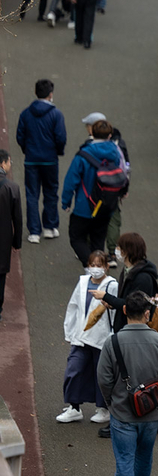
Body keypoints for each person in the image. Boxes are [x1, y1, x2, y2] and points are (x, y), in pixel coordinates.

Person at [96, 291, 158, 476]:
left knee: (124, 461)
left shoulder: (112, 342)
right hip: (151, 413)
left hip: (122, 412)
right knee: (144, 458)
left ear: (124, 310)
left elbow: (103, 379)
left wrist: (111, 402)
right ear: (148, 313)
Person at [56, 250, 118, 425]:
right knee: (73, 368)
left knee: (101, 374)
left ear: (106, 267)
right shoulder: (83, 282)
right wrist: (69, 331)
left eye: (99, 265)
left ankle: (103, 409)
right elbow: (73, 306)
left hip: (101, 338)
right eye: (92, 265)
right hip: (81, 337)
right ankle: (74, 407)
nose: (95, 269)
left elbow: (114, 312)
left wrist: (114, 335)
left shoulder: (111, 284)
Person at [61, 120, 123, 266]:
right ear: (109, 135)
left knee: (76, 238)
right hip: (106, 206)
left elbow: (71, 180)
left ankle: (91, 266)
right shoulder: (115, 153)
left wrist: (66, 201)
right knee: (98, 240)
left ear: (91, 133)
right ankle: (99, 271)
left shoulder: (83, 155)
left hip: (85, 205)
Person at [15, 79, 67, 242]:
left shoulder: (25, 113)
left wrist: (27, 150)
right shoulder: (56, 114)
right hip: (50, 160)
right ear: (50, 95)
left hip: (31, 160)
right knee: (51, 192)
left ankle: (34, 232)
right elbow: (60, 137)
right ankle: (49, 227)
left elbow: (20, 136)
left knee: (32, 194)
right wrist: (57, 152)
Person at [82, 113, 131, 269]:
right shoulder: (118, 144)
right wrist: (124, 189)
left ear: (93, 128)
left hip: (95, 191)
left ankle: (93, 251)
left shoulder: (88, 146)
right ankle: (111, 254)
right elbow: (126, 167)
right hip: (114, 190)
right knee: (113, 221)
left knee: (93, 217)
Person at [0, 150, 21, 324]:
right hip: (3, 237)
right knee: (1, 273)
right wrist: (17, 241)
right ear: (3, 163)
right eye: (9, 162)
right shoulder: (12, 188)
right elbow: (18, 218)